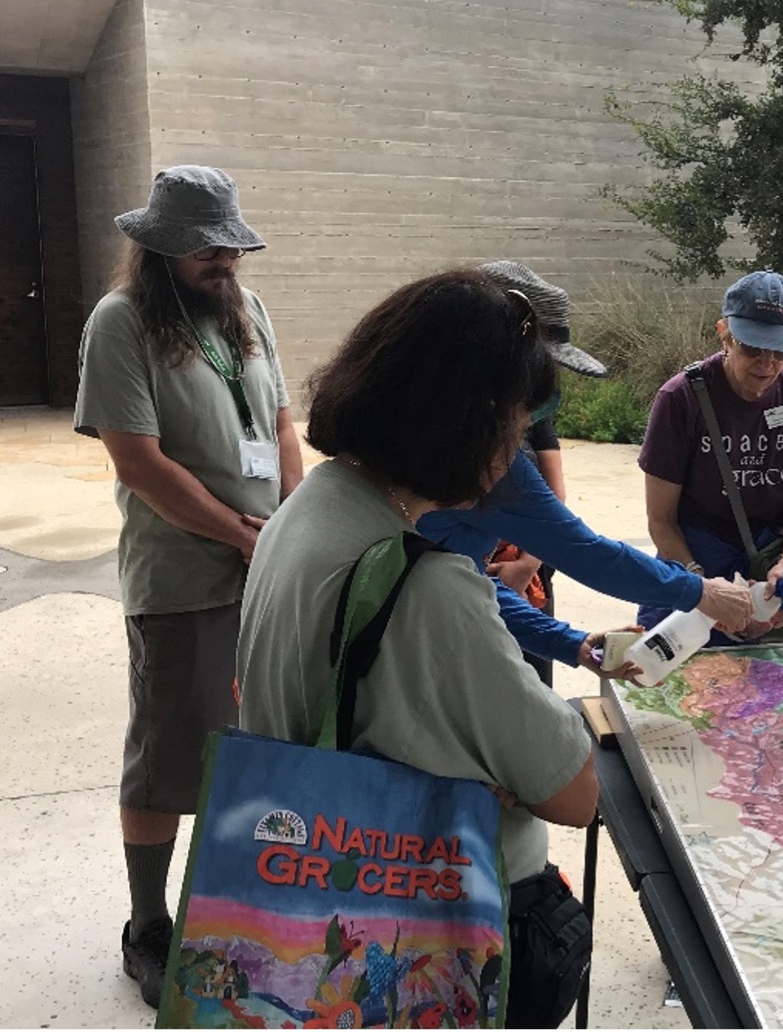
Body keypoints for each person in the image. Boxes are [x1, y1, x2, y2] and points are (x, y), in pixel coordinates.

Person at [237, 267, 597, 1029]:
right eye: (510, 432)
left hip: (307, 905)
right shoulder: (428, 586)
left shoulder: (302, 513)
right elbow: (574, 791)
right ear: (458, 423)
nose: (513, 459)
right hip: (424, 940)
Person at [72, 165, 302, 1008]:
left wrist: (286, 525)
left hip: (264, 566)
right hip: (181, 578)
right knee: (169, 758)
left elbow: (280, 424)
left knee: (258, 744)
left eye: (232, 245)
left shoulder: (249, 312)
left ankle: (234, 909)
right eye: (208, 248)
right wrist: (240, 533)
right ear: (160, 248)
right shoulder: (121, 321)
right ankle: (148, 925)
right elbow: (140, 461)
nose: (225, 261)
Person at [419, 262, 753, 680]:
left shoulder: (423, 438)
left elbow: (462, 581)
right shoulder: (482, 459)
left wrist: (568, 642)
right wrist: (699, 592)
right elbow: (585, 551)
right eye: (539, 379)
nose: (538, 405)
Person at [637, 270, 783, 644]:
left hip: (772, 551)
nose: (767, 364)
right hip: (695, 552)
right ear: (724, 332)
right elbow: (661, 520)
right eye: (753, 348)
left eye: (781, 351)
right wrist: (700, 585)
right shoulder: (681, 398)